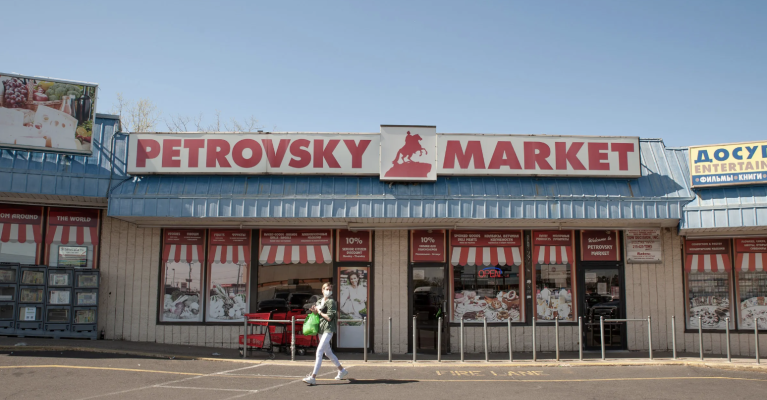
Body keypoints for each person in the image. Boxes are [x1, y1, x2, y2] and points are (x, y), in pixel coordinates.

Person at [303, 283, 348, 385]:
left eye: (330, 289)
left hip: (328, 329)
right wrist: (314, 311)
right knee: (328, 353)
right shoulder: (319, 301)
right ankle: (342, 370)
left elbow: (329, 317)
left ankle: (313, 377)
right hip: (321, 329)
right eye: (326, 289)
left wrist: (319, 312)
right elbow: (317, 314)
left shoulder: (331, 302)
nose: (328, 291)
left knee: (319, 351)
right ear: (322, 290)